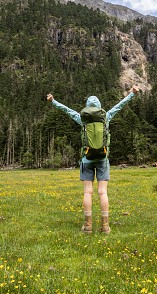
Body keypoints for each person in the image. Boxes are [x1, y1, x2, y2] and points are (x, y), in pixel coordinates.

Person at [47, 86, 139, 234]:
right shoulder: (106, 116)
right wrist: (132, 95)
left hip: (86, 159)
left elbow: (67, 110)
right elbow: (119, 106)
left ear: (87, 107)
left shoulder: (82, 118)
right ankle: (105, 226)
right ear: (99, 107)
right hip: (103, 158)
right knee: (102, 193)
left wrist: (53, 101)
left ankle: (88, 225)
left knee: (87, 193)